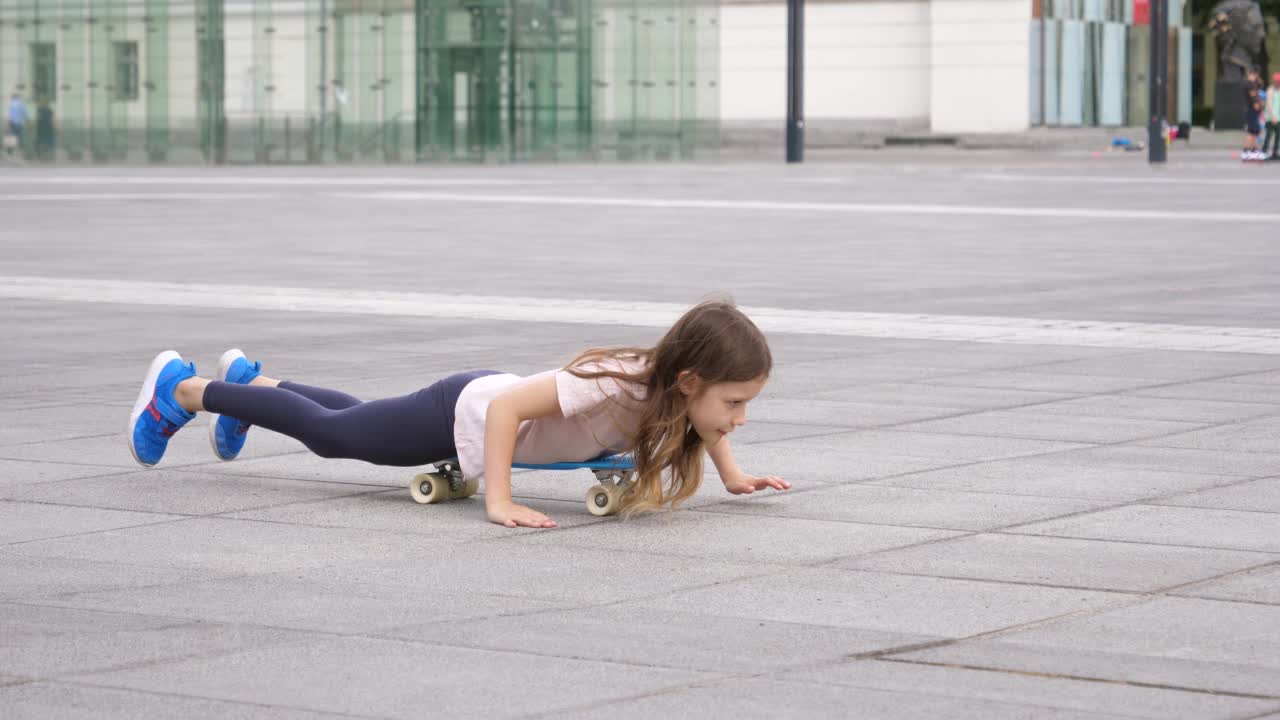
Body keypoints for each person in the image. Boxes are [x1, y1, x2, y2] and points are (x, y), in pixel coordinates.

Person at [126, 299, 791, 529]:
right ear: (689, 378)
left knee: (359, 418)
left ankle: (253, 383)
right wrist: (498, 499)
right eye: (735, 402)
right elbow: (506, 407)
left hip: (468, 405)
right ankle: (185, 391)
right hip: (465, 410)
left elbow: (703, 424)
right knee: (336, 437)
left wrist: (734, 474)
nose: (738, 417)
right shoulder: (614, 387)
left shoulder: (681, 399)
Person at [1243, 67, 1264, 161]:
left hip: (1252, 111)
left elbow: (1260, 85)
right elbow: (1253, 98)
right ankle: (1246, 152)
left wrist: (1258, 81)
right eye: (1257, 74)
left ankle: (1254, 151)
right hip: (1251, 110)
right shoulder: (1249, 84)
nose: (1257, 76)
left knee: (1255, 131)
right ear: (1254, 74)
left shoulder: (1252, 83)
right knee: (1251, 131)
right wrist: (1258, 106)